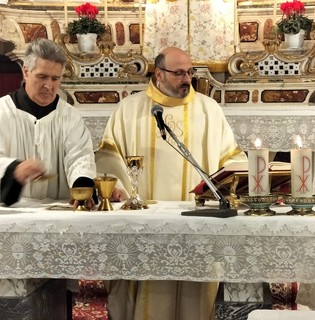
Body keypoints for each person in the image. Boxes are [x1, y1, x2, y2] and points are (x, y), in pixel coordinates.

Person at [95, 47, 247, 320]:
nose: (186, 78)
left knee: (195, 296)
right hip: (144, 227)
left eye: (189, 72)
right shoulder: (129, 109)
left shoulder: (209, 109)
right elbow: (108, 156)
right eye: (178, 73)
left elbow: (231, 159)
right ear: (158, 75)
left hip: (199, 223)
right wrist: (115, 188)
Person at [0, 38, 97, 208]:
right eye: (42, 77)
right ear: (26, 71)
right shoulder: (2, 111)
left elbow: (80, 156)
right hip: (11, 212)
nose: (49, 86)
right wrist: (14, 169)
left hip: (58, 210)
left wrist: (82, 185)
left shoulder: (69, 116)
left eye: (55, 79)